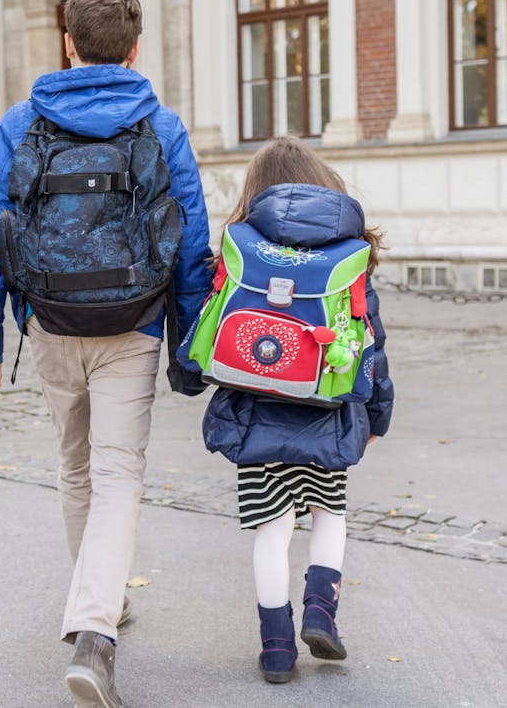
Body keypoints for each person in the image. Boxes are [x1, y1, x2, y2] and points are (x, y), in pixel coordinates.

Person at [0, 0, 213, 708]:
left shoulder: (20, 122)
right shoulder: (160, 125)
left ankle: (94, 607)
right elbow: (190, 241)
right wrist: (190, 343)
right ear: (134, 49)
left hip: (49, 321)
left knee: (76, 468)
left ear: (68, 42)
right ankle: (96, 628)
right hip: (131, 325)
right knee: (119, 472)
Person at [189, 136, 393, 684]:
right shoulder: (348, 259)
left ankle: (277, 649)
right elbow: (371, 343)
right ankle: (321, 611)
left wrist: (187, 377)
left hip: (255, 413)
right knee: (330, 514)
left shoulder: (239, 249)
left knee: (272, 530)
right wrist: (378, 413)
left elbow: (206, 324)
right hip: (328, 411)